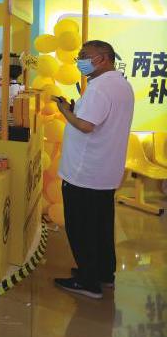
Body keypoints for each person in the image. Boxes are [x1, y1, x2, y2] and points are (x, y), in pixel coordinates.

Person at [53, 40, 134, 300]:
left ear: (102, 58)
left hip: (85, 172)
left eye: (84, 55)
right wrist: (75, 110)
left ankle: (88, 281)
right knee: (101, 225)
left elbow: (86, 126)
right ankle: (103, 273)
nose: (79, 60)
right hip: (105, 171)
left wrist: (65, 111)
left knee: (81, 227)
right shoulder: (121, 84)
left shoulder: (99, 88)